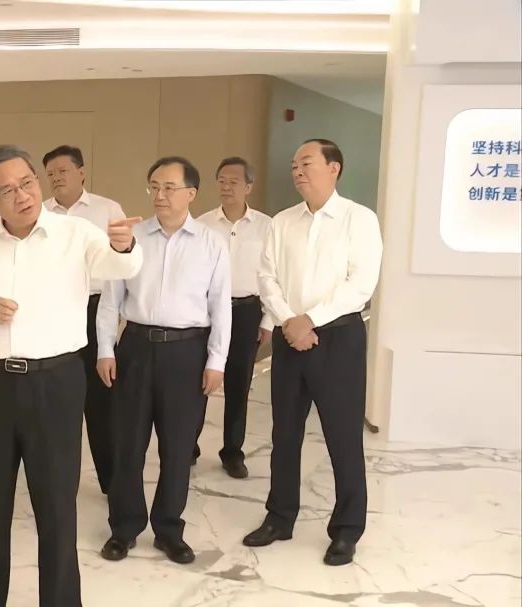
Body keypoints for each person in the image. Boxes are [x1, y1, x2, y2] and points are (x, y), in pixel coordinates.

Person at [0, 144, 143, 606]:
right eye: (7, 191)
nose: (23, 196)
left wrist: (124, 244)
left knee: (55, 503)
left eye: (28, 183)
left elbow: (122, 265)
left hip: (56, 381)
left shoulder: (76, 233)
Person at [242, 139, 382, 567]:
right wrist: (290, 320)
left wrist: (311, 319)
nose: (297, 171)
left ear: (333, 168)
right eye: (294, 165)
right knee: (284, 434)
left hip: (338, 339)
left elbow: (361, 284)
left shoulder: (359, 218)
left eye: (306, 163)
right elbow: (266, 277)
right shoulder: (282, 221)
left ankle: (346, 530)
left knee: (343, 436)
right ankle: (279, 517)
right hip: (290, 338)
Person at [97, 156, 231, 565]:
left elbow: (220, 305)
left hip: (187, 353)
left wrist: (217, 360)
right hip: (136, 348)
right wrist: (105, 349)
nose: (160, 195)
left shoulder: (211, 243)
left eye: (169, 187)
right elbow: (110, 300)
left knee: (177, 448)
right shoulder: (133, 238)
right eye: (154, 186)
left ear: (191, 193)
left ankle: (169, 530)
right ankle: (123, 529)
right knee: (127, 444)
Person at [41, 144, 126, 495]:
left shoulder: (108, 209)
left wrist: (117, 317)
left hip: (96, 309)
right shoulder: (40, 213)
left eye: (63, 170)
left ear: (81, 172)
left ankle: (111, 481)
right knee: (56, 399)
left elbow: (122, 266)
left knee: (101, 401)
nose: (56, 178)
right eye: (50, 174)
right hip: (54, 311)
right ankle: (58, 480)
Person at [193, 157, 273, 478]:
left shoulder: (266, 227)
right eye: (222, 181)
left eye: (234, 182)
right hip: (207, 312)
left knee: (239, 384)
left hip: (247, 311)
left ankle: (232, 452)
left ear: (248, 187)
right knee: (198, 381)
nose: (226, 187)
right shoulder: (202, 225)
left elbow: (273, 276)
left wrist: (267, 321)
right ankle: (188, 447)